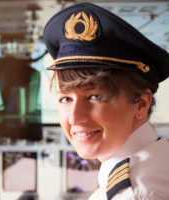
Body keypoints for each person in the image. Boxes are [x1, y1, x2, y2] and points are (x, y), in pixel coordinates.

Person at [43, 2, 169, 200]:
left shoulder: (133, 193)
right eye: (66, 98)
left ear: (141, 104)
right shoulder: (159, 156)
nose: (75, 118)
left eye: (95, 97)